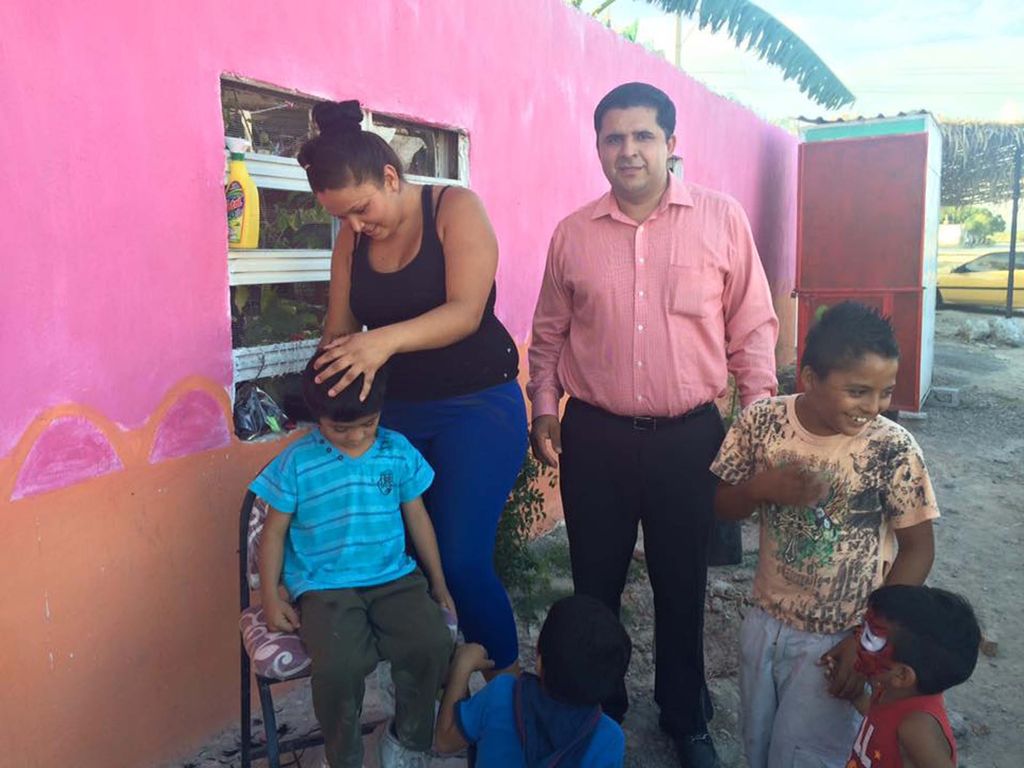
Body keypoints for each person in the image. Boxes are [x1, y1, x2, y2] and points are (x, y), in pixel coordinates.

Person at [526, 81, 779, 768]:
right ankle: (596, 705)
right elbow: (547, 336)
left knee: (682, 584)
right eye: (613, 138)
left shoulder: (722, 220)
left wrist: (757, 425)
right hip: (596, 436)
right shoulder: (573, 234)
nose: (628, 150)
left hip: (690, 439)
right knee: (594, 583)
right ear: (598, 148)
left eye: (642, 136)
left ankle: (684, 714)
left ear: (671, 143)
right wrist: (544, 408)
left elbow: (753, 330)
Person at [298, 100, 527, 675]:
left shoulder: (455, 208)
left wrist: (381, 343)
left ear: (391, 177)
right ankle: (438, 682)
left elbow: (466, 312)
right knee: (399, 559)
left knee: (462, 559)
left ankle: (503, 685)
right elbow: (340, 330)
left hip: (478, 408)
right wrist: (323, 398)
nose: (354, 227)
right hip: (397, 413)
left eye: (360, 209)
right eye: (341, 217)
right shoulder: (352, 240)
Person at [712, 301, 940, 768]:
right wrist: (761, 488)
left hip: (840, 641)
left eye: (885, 392)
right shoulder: (762, 423)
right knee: (758, 746)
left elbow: (918, 550)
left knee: (810, 757)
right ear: (811, 378)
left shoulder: (892, 448)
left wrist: (868, 638)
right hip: (765, 621)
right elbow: (721, 506)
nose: (873, 407)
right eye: (858, 391)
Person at [252, 354, 455, 768]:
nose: (357, 437)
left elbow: (418, 518)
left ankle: (407, 739)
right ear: (317, 417)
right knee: (340, 666)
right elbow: (272, 533)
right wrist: (270, 597)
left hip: (394, 578)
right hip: (324, 586)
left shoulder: (397, 451)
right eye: (340, 429)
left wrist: (439, 583)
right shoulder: (297, 462)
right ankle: (342, 756)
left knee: (431, 642)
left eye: (368, 424)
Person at [434, 595, 632, 766]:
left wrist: (462, 665)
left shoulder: (502, 695)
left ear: (539, 659)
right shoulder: (609, 739)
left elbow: (444, 741)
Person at [845, 585, 980, 768]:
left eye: (870, 638)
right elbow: (881, 721)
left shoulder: (917, 727)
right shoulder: (887, 688)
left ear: (902, 675)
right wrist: (856, 696)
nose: (858, 638)